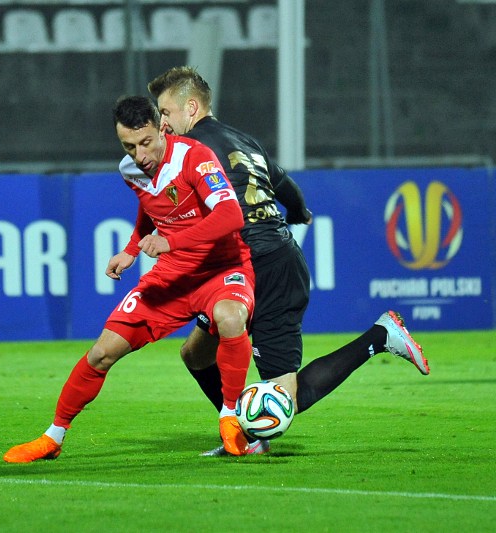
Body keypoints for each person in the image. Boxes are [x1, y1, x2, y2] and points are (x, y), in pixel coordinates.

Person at [144, 66, 429, 455]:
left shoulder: (190, 151)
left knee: (285, 398)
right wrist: (299, 213)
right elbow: (284, 186)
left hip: (267, 268)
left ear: (191, 108)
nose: (162, 123)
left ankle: (381, 336)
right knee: (196, 354)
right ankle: (240, 432)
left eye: (166, 112)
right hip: (250, 264)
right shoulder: (243, 141)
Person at [3, 95, 257, 463]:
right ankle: (52, 437)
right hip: (172, 275)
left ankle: (230, 418)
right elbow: (152, 206)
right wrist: (132, 249)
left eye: (146, 142)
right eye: (129, 146)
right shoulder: (130, 170)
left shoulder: (195, 157)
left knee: (230, 318)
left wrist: (171, 242)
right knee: (101, 352)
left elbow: (232, 216)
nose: (140, 155)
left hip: (222, 268)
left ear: (162, 129)